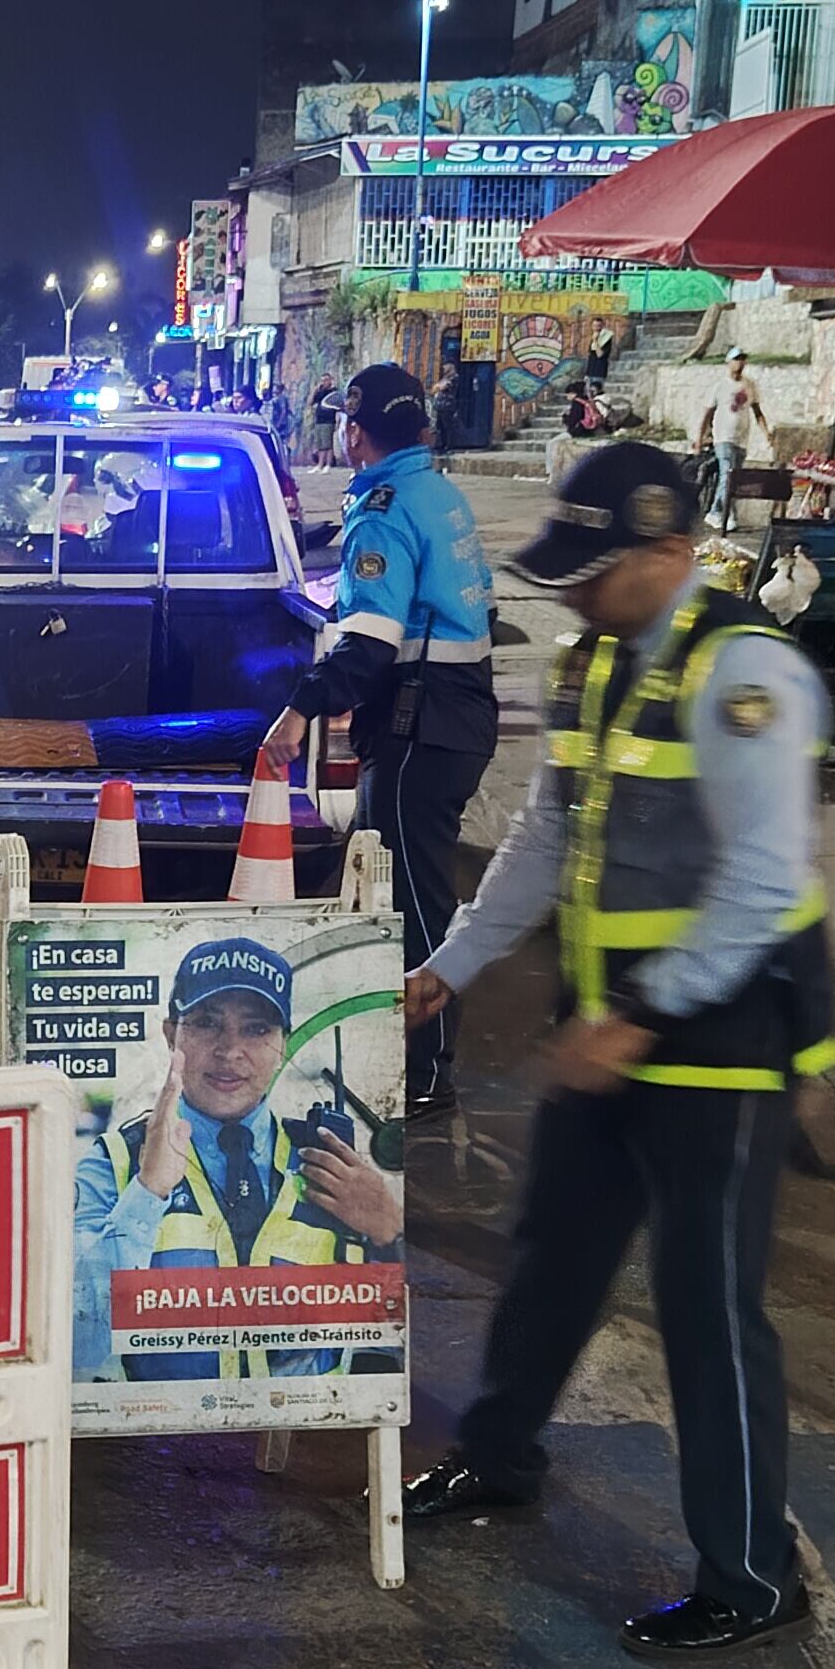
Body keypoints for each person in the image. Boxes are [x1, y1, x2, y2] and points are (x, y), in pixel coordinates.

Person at [400, 440, 835, 1658]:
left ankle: (751, 1577)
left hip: (721, 1048)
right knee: (551, 1260)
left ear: (671, 551)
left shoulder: (745, 672)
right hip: (605, 1034)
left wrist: (641, 1015)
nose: (579, 594)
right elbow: (545, 837)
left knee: (706, 1310)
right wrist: (451, 965)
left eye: (598, 571)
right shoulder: (593, 664)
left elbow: (764, 881)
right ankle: (497, 1457)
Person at [255, 362, 499, 1109]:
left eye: (343, 421)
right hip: (457, 711)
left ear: (355, 433)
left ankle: (424, 1073)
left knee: (411, 902)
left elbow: (369, 644)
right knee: (409, 888)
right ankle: (400, 1052)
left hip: (417, 723)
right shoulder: (439, 492)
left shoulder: (383, 513)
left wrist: (299, 709)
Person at [70, 938, 404, 1380]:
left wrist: (391, 1237)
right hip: (163, 1424)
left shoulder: (337, 1164)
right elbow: (76, 1344)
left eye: (256, 1029)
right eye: (207, 1024)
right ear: (171, 1035)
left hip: (314, 1423)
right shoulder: (112, 1162)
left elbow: (403, 1352)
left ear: (283, 1043)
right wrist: (147, 1193)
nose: (229, 1051)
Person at [693, 350, 767, 531]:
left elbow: (757, 411)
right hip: (723, 437)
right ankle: (719, 512)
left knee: (735, 479)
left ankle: (725, 513)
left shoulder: (750, 385)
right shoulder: (720, 386)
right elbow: (707, 414)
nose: (740, 363)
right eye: (736, 359)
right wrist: (699, 439)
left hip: (741, 438)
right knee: (728, 474)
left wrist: (766, 432)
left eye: (742, 359)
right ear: (728, 362)